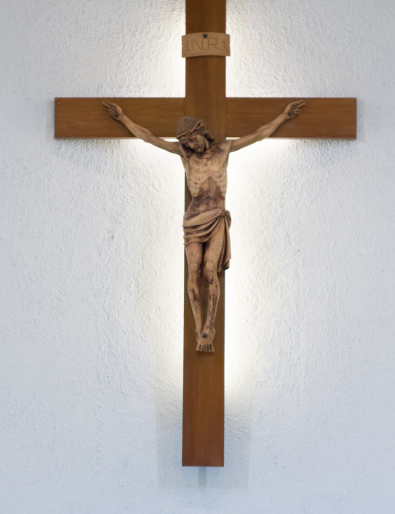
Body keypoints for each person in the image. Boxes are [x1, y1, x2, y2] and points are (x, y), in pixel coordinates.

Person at [103, 100, 305, 352]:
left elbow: (259, 134)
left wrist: (284, 115)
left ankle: (210, 325)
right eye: (186, 142)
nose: (191, 145)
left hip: (216, 217)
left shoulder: (224, 149)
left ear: (202, 131)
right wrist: (122, 118)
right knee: (193, 270)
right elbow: (149, 138)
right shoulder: (185, 155)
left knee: (210, 269)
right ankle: (199, 328)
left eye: (193, 139)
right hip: (193, 219)